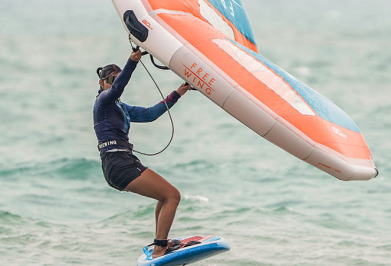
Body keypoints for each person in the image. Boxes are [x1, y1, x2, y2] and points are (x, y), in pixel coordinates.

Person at [93, 50, 191, 258]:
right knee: (172, 195)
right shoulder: (103, 101)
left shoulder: (120, 107)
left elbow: (149, 115)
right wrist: (132, 61)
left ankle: (160, 243)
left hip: (122, 162)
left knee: (164, 197)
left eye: (115, 80)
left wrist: (177, 93)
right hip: (118, 163)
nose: (113, 84)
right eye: (111, 80)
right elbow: (118, 88)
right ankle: (159, 249)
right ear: (102, 83)